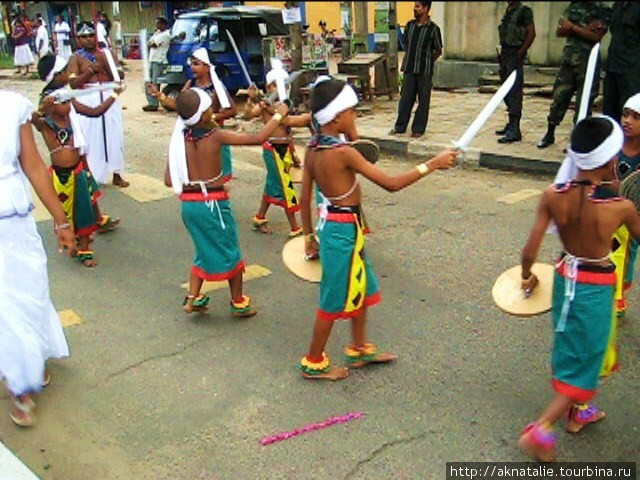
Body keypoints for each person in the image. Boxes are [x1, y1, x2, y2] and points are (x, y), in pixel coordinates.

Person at [298, 78, 457, 380]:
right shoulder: (343, 152)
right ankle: (313, 360)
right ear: (336, 116)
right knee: (332, 297)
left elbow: (305, 196)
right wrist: (432, 164)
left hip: (338, 227)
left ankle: (358, 348)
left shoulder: (314, 147)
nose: (354, 117)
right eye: (352, 112)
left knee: (363, 285)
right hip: (341, 230)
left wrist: (309, 235)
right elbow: (391, 184)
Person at [518, 115, 640, 462]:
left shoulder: (553, 196)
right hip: (595, 287)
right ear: (611, 160)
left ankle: (578, 412)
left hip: (563, 275)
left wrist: (527, 275)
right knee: (588, 357)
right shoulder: (620, 208)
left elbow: (529, 250)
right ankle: (541, 428)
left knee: (571, 344)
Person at [165, 88, 289, 316]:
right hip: (212, 203)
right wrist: (278, 115)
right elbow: (258, 138)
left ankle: (192, 299)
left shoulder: (178, 140)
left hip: (189, 205)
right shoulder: (215, 136)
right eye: (209, 109)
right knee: (230, 249)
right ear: (202, 116)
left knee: (202, 249)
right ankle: (238, 301)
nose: (213, 111)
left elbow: (168, 179)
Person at [0, 90, 77, 427]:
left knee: (27, 292)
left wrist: (61, 220)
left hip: (14, 220)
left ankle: (29, 361)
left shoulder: (12, 105)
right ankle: (21, 382)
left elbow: (32, 165)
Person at [33, 54, 122, 267]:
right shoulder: (46, 120)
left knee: (83, 208)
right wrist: (44, 107)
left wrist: (114, 96)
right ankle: (71, 240)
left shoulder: (67, 101)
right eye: (63, 71)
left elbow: (94, 112)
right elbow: (34, 119)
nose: (68, 106)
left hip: (77, 168)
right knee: (64, 212)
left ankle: (84, 246)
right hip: (59, 174)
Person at [149, 47, 237, 183]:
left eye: (196, 64)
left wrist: (210, 117)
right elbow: (179, 105)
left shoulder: (216, 87)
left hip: (212, 135)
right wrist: (160, 95)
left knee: (216, 178)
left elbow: (232, 111)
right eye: (192, 63)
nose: (192, 67)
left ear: (207, 67)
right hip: (193, 136)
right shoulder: (191, 84)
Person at [243, 72, 312, 238]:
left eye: (283, 85)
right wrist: (251, 99)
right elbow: (248, 114)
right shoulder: (264, 104)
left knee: (272, 185)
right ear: (269, 87)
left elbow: (287, 131)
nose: (282, 88)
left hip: (284, 149)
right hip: (272, 150)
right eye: (276, 85)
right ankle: (295, 227)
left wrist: (294, 154)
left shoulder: (284, 105)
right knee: (285, 188)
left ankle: (259, 218)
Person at [537, 2, 611, 149]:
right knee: (559, 97)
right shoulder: (574, 6)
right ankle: (549, 133)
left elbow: (596, 36)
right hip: (568, 61)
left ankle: (578, 139)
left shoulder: (602, 10)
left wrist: (572, 27)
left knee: (584, 103)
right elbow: (560, 31)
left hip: (588, 64)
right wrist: (583, 30)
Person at [67, 22, 129, 188]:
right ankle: (92, 173)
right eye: (84, 36)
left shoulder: (106, 53)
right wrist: (91, 71)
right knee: (91, 138)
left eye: (91, 35)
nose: (88, 39)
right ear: (78, 40)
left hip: (108, 95)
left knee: (114, 135)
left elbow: (119, 75)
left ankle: (117, 173)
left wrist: (108, 65)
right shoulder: (76, 58)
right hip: (88, 98)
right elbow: (73, 84)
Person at [389, 1, 442, 138]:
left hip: (424, 71)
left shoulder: (433, 29)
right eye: (415, 6)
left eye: (418, 7)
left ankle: (418, 129)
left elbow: (438, 50)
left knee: (423, 101)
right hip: (409, 69)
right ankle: (400, 127)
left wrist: (428, 61)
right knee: (405, 99)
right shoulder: (410, 26)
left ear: (426, 9)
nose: (415, 9)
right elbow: (407, 44)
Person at [610, 93, 640, 322]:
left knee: (627, 261)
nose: (627, 120)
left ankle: (620, 291)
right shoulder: (612, 146)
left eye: (636, 117)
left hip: (634, 220)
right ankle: (611, 296)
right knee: (608, 256)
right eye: (625, 114)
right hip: (609, 215)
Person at [495, 1, 536, 144]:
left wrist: (520, 52)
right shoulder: (509, 9)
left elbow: (531, 33)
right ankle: (511, 123)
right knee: (505, 91)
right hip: (505, 54)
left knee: (514, 92)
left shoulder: (524, 11)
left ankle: (515, 128)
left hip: (515, 54)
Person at [602, 1, 640, 122]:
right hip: (613, 65)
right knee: (609, 110)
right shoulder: (617, 5)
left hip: (631, 69)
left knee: (630, 109)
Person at [143, 16, 171, 112]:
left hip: (159, 61)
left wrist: (150, 43)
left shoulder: (166, 35)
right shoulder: (157, 33)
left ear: (163, 24)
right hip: (152, 60)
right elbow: (149, 43)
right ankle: (151, 102)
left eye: (158, 23)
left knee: (155, 82)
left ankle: (154, 104)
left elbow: (153, 44)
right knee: (148, 82)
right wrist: (150, 43)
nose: (156, 25)